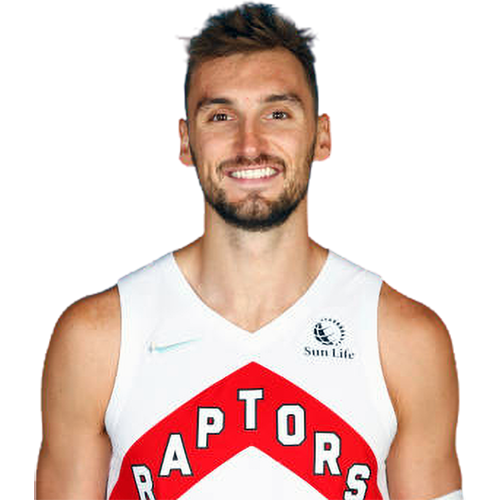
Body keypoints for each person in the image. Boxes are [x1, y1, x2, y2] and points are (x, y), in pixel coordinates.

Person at [36, 6, 464, 500]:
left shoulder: (404, 342)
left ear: (321, 136)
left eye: (277, 114)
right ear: (185, 142)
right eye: (221, 116)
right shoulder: (98, 340)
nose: (249, 144)